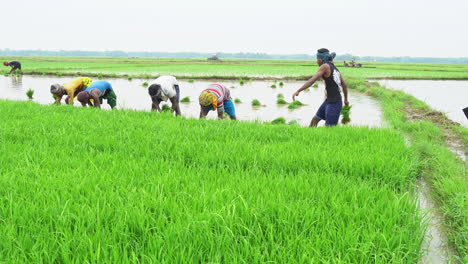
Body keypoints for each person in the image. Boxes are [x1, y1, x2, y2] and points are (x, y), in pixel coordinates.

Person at [292, 48, 349, 127]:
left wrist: (299, 90)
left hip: (334, 103)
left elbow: (312, 80)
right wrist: (346, 100)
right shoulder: (336, 69)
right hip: (329, 101)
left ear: (321, 59)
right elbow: (344, 86)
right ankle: (308, 136)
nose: (316, 61)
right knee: (315, 119)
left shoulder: (325, 66)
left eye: (317, 59)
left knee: (329, 129)